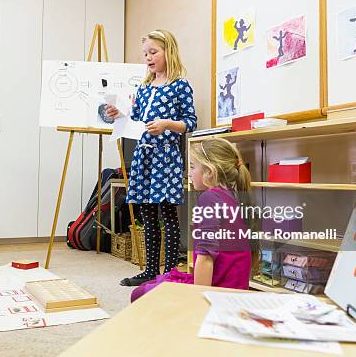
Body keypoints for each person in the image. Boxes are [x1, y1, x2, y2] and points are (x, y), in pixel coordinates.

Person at [106, 29, 197, 286]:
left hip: (166, 157)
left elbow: (190, 122)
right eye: (145, 53)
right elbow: (134, 121)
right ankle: (149, 271)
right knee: (146, 214)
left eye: (153, 52)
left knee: (167, 213)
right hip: (143, 157)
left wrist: (167, 124)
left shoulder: (180, 85)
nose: (148, 57)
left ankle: (168, 273)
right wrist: (118, 114)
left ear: (169, 51)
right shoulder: (144, 88)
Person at [131, 139, 255, 301]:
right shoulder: (230, 196)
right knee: (156, 283)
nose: (188, 173)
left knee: (138, 294)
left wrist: (197, 303)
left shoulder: (209, 198)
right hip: (233, 289)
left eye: (192, 167)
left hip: (217, 292)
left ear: (209, 172)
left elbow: (205, 259)